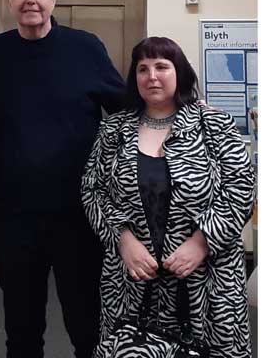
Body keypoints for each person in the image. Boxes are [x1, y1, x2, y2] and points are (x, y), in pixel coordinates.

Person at [0, 0, 125, 358]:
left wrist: (183, 108)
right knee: (21, 329)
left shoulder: (86, 48)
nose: (30, 1)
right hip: (16, 219)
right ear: (9, 2)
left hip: (79, 217)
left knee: (87, 324)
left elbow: (125, 108)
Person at [81, 36, 255, 358]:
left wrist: (201, 242)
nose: (152, 76)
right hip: (132, 281)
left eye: (162, 66)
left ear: (180, 72)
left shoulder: (214, 124)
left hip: (208, 283)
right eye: (143, 68)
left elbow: (241, 187)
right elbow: (93, 189)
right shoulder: (114, 129)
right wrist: (123, 239)